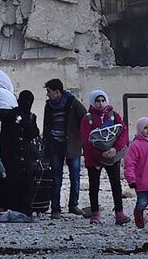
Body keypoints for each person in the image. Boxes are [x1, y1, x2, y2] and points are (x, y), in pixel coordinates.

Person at [80, 90, 129, 225]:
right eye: (97, 101)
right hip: (94, 157)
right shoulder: (87, 119)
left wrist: (115, 149)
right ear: (93, 102)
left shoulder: (114, 116)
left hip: (112, 156)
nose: (100, 104)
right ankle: (95, 212)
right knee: (94, 185)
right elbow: (86, 139)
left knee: (116, 184)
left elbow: (123, 132)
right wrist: (99, 153)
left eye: (102, 100)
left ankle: (119, 212)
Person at [42, 78, 87, 218]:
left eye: (49, 91)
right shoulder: (48, 106)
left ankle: (73, 204)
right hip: (55, 145)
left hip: (72, 145)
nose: (48, 94)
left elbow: (85, 119)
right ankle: (55, 208)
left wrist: (81, 139)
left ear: (57, 91)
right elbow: (46, 125)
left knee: (75, 176)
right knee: (56, 177)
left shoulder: (72, 103)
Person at [0, 90, 41, 215]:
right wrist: (13, 114)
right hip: (9, 154)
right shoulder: (10, 114)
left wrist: (24, 120)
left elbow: (33, 133)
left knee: (24, 183)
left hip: (24, 156)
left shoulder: (30, 117)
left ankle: (23, 208)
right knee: (9, 181)